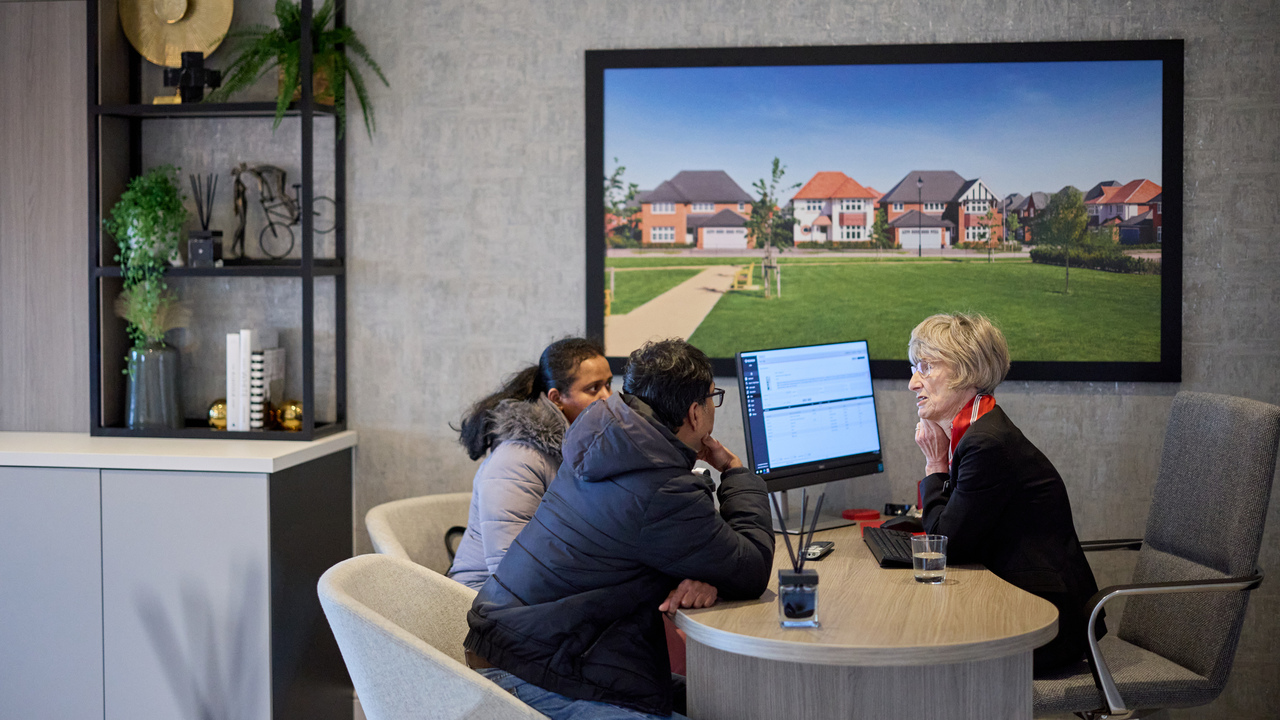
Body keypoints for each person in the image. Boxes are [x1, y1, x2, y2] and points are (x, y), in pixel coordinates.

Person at [464, 339, 775, 720]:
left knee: (726, 702)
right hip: (535, 668)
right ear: (695, 413)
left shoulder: (602, 439)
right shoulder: (662, 488)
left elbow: (672, 545)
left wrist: (708, 572)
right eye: (714, 398)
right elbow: (753, 569)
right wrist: (735, 473)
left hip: (531, 644)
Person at [908, 312, 1102, 674]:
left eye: (926, 367)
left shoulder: (987, 443)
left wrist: (935, 465)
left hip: (1044, 623)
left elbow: (947, 544)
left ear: (966, 370)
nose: (913, 383)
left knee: (923, 660)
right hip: (1019, 600)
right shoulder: (980, 430)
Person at [448, 337, 613, 589]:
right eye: (594, 388)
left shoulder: (582, 449)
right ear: (556, 398)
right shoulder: (517, 459)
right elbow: (511, 573)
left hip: (539, 591)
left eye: (609, 385)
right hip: (484, 600)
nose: (608, 398)